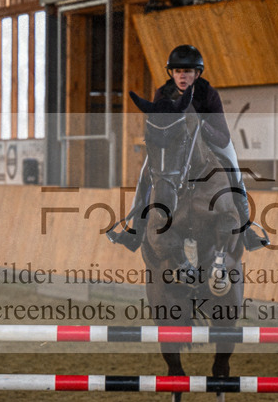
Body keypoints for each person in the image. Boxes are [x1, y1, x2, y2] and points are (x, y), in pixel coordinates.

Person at [109, 45, 269, 252]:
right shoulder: (163, 93)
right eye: (177, 71)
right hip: (173, 147)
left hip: (210, 142)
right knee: (145, 174)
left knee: (234, 169)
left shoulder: (208, 94)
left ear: (197, 73)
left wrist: (200, 125)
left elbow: (223, 137)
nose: (182, 76)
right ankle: (135, 230)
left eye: (187, 72)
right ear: (172, 73)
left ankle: (247, 230)